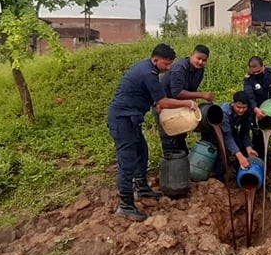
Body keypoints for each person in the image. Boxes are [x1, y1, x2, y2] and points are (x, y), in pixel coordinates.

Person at [107, 44, 199, 221]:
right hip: (122, 120)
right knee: (127, 161)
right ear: (155, 59)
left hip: (131, 119)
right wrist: (188, 104)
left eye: (171, 63)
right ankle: (125, 204)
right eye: (166, 64)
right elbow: (163, 102)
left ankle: (142, 188)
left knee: (142, 151)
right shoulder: (147, 73)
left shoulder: (150, 71)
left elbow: (157, 102)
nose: (169, 67)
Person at [159, 44, 214, 152]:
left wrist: (193, 102)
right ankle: (171, 164)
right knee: (169, 138)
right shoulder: (180, 68)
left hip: (180, 104)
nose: (200, 62)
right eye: (198, 58)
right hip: (164, 104)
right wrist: (202, 95)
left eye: (204, 60)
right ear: (191, 55)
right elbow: (177, 93)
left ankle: (183, 159)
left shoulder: (200, 70)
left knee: (180, 133)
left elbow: (191, 90)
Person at [200, 92, 259, 181]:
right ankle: (218, 179)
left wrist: (249, 148)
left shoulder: (247, 113)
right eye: (238, 107)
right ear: (233, 104)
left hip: (230, 131)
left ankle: (241, 173)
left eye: (244, 108)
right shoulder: (224, 112)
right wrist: (239, 156)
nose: (241, 110)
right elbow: (227, 137)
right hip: (214, 132)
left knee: (241, 146)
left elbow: (244, 133)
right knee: (221, 154)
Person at [243, 56, 271, 150]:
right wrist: (256, 109)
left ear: (263, 66)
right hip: (258, 110)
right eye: (253, 72)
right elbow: (250, 97)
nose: (256, 74)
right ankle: (262, 159)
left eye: (258, 71)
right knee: (258, 138)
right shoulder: (248, 80)